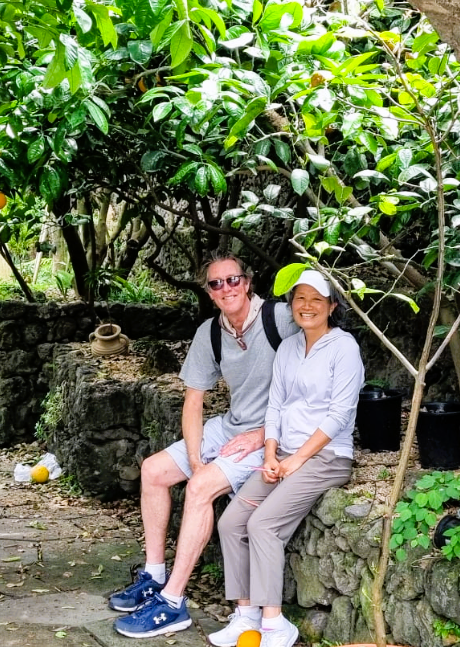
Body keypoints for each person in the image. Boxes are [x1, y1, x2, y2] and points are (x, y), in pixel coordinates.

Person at [111, 252, 298, 639]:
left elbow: (314, 379)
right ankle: (154, 574)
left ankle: (173, 602)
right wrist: (196, 457)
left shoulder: (280, 319)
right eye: (216, 283)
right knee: (154, 470)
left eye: (232, 280)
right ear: (209, 292)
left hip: (276, 435)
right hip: (231, 427)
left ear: (247, 283)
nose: (225, 288)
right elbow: (193, 400)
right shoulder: (211, 332)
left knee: (199, 489)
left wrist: (265, 434)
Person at [209, 269, 363, 647]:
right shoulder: (291, 347)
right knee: (231, 523)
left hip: (326, 457)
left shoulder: (344, 348)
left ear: (332, 306)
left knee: (262, 525)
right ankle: (245, 616)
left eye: (316, 299)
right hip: (284, 454)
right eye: (299, 298)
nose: (306, 306)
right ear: (291, 304)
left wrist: (296, 461)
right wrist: (272, 453)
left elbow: (339, 415)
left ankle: (275, 624)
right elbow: (275, 405)